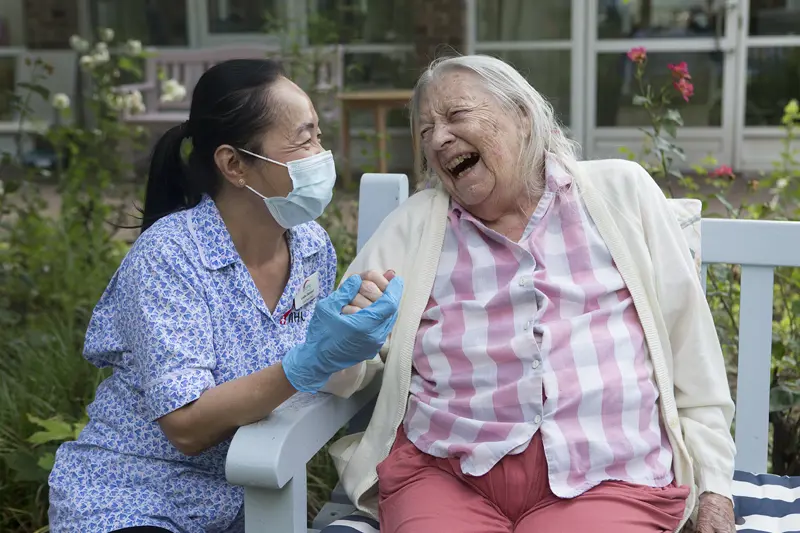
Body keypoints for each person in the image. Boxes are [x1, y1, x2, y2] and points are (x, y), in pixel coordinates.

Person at [324, 55, 737, 533]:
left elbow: (691, 352)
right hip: (445, 474)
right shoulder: (414, 225)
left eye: (456, 116)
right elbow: (342, 368)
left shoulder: (622, 193)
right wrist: (346, 338)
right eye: (425, 131)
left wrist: (714, 487)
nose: (438, 140)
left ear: (522, 115)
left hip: (610, 477)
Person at [48, 58, 403, 533]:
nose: (321, 155)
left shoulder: (310, 245)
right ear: (234, 164)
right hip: (132, 495)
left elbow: (313, 370)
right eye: (304, 140)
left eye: (318, 136)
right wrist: (309, 362)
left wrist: (349, 344)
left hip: (245, 495)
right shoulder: (169, 257)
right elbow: (186, 426)